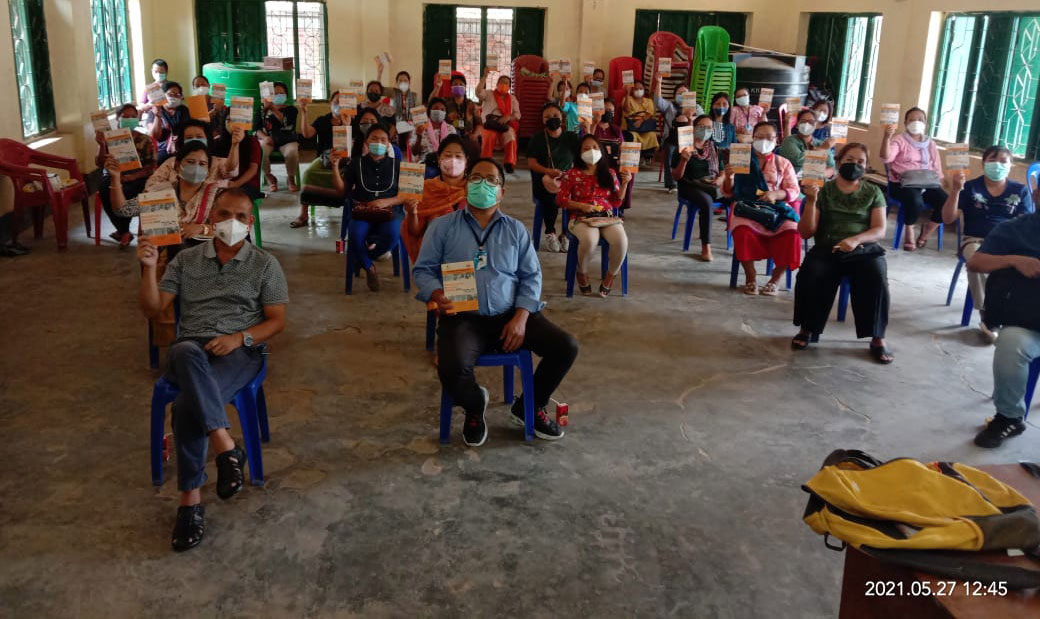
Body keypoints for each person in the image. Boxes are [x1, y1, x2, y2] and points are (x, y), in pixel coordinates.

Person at [136, 187, 288, 551]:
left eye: (239, 217)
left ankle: (190, 501)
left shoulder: (265, 264)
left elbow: (277, 321)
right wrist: (147, 270)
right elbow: (154, 310)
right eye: (223, 215)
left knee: (188, 406)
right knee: (187, 351)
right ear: (210, 220)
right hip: (191, 349)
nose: (230, 223)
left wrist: (239, 338)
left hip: (239, 351)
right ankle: (225, 444)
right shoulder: (185, 261)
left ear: (250, 224)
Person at [413, 157, 579, 446]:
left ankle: (529, 406)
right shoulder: (442, 227)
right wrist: (437, 294)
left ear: (501, 192)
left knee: (566, 347)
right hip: (463, 316)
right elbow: (423, 270)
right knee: (450, 367)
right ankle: (475, 405)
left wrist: (522, 316)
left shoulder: (516, 230)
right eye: (476, 178)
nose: (483, 184)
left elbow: (531, 276)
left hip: (510, 314)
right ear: (466, 186)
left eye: (492, 180)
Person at [791, 143, 893, 363]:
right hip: (827, 247)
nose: (854, 165)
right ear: (837, 163)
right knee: (812, 272)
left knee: (876, 274)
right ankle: (808, 329)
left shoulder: (873, 192)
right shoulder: (823, 191)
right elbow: (806, 232)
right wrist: (810, 201)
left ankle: (877, 337)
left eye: (860, 162)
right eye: (849, 160)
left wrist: (855, 240)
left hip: (863, 249)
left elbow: (879, 230)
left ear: (866, 168)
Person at [941, 145, 1035, 342]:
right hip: (975, 240)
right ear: (983, 163)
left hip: (1008, 245)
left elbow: (1028, 224)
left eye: (1003, 161)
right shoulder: (970, 187)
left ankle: (1018, 313)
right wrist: (956, 191)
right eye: (992, 160)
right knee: (978, 261)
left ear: (1011, 166)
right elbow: (948, 218)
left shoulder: (1020, 190)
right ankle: (988, 314)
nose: (998, 165)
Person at [965, 213, 1040, 447]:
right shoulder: (1015, 229)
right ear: (1037, 194)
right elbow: (975, 262)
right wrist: (1015, 260)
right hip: (1031, 321)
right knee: (1010, 343)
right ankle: (1009, 417)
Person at [722, 121, 801, 296]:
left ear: (776, 140)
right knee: (742, 231)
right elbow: (729, 192)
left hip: (775, 208)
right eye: (759, 137)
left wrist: (776, 194)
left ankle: (775, 279)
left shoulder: (783, 163)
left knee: (793, 232)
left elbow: (794, 190)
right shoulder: (741, 158)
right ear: (753, 138)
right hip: (747, 206)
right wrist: (729, 177)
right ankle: (751, 276)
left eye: (769, 137)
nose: (764, 141)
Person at [331, 122, 406, 292]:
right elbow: (342, 192)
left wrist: (386, 202)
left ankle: (360, 259)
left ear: (388, 144)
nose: (378, 143)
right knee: (356, 235)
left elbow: (408, 196)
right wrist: (335, 167)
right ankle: (369, 267)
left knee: (392, 234)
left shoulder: (399, 165)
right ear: (366, 141)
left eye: (383, 140)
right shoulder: (355, 163)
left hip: (391, 211)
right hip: (362, 211)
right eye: (374, 138)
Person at [557, 136, 632, 297]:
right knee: (590, 240)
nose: (591, 151)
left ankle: (611, 276)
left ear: (602, 151)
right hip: (580, 218)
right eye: (586, 148)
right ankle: (581, 272)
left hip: (606, 217)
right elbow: (561, 200)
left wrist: (625, 183)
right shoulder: (572, 174)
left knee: (621, 241)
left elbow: (617, 202)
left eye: (595, 147)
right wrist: (581, 206)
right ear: (579, 152)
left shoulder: (610, 173)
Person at [880, 107, 947, 250]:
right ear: (905, 123)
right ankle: (909, 229)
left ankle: (926, 233)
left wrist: (940, 183)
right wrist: (887, 138)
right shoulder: (899, 140)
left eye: (920, 119)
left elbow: (936, 166)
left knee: (946, 201)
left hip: (927, 183)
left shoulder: (931, 143)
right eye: (912, 119)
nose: (916, 122)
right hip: (902, 184)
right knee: (915, 201)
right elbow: (886, 158)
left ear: (925, 123)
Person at [94, 104, 158, 247]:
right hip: (114, 176)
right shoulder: (110, 138)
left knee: (125, 191)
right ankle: (124, 231)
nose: (129, 119)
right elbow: (100, 163)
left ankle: (122, 231)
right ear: (118, 119)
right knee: (105, 189)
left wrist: (131, 177)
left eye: (133, 117)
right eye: (125, 117)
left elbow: (151, 167)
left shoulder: (145, 140)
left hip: (138, 178)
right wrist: (101, 145)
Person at [401, 135, 471, 260]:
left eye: (458, 156)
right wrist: (412, 213)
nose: (453, 160)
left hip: (467, 256)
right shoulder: (426, 189)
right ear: (439, 159)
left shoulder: (475, 190)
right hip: (434, 254)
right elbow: (414, 232)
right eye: (448, 155)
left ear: (466, 161)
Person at [528, 103, 583, 253]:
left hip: (567, 180)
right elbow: (531, 163)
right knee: (552, 199)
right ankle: (550, 232)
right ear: (542, 120)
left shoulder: (571, 137)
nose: (552, 119)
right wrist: (548, 171)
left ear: (562, 118)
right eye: (547, 117)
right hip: (545, 181)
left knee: (576, 197)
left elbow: (583, 155)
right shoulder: (537, 138)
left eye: (555, 116)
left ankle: (566, 233)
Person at [671, 114, 724, 262]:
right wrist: (683, 161)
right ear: (694, 128)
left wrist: (721, 178)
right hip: (689, 185)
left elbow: (722, 170)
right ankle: (706, 246)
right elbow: (676, 176)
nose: (705, 130)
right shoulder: (683, 147)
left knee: (736, 196)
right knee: (706, 202)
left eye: (709, 128)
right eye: (702, 127)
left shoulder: (713, 147)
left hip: (710, 184)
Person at [146, 119, 240, 190]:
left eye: (199, 136)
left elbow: (230, 168)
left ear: (207, 139)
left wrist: (235, 145)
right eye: (189, 137)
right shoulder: (172, 162)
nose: (194, 140)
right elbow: (152, 184)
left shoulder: (217, 162)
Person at [654, 74, 704, 193]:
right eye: (679, 94)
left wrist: (692, 116)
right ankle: (671, 184)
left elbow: (703, 121)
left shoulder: (696, 107)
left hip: (689, 139)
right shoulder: (670, 106)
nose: (682, 96)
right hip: (671, 138)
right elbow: (658, 101)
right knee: (670, 151)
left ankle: (692, 180)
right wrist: (659, 83)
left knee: (693, 152)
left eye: (685, 94)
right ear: (675, 96)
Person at [257, 81, 299, 193]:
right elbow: (257, 129)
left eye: (281, 93)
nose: (278, 96)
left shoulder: (291, 110)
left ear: (286, 95)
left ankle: (290, 178)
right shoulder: (262, 110)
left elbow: (285, 123)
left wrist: (273, 109)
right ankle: (269, 177)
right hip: (269, 140)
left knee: (292, 152)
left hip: (286, 140)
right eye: (275, 93)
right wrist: (264, 137)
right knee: (260, 150)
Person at [476, 69, 521, 173]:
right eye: (501, 82)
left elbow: (518, 114)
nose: (504, 85)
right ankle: (485, 161)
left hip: (505, 124)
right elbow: (478, 92)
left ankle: (509, 163)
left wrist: (508, 117)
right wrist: (484, 76)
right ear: (497, 84)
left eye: (506, 83)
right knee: (489, 136)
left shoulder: (513, 98)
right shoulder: (489, 94)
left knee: (511, 136)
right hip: (490, 124)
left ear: (509, 87)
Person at [777, 109, 836, 177]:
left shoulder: (820, 143)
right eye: (803, 121)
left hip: (816, 184)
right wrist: (821, 149)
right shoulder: (788, 141)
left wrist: (819, 175)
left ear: (815, 125)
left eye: (811, 122)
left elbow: (831, 166)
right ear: (797, 124)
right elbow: (799, 160)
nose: (807, 124)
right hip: (793, 182)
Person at [379, 65, 419, 156]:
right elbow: (380, 89)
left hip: (408, 123)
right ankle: (389, 148)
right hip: (395, 121)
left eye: (405, 80)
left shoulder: (414, 95)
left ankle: (409, 152)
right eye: (400, 80)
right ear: (396, 82)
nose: (403, 82)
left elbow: (414, 112)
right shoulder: (393, 92)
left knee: (413, 128)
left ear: (409, 82)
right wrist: (380, 73)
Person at [431, 71, 481, 141]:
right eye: (455, 84)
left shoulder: (471, 104)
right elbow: (432, 102)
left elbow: (479, 123)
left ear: (465, 87)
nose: (458, 86)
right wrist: (437, 87)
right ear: (451, 88)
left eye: (461, 84)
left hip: (468, 137)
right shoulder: (445, 102)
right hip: (449, 137)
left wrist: (475, 134)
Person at [151, 81, 189, 163]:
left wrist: (179, 138)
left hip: (181, 146)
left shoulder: (183, 110)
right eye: (170, 94)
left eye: (177, 95)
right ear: (163, 95)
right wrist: (158, 116)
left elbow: (188, 128)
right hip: (162, 150)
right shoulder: (154, 111)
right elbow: (155, 136)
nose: (174, 97)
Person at [415, 98, 457, 168]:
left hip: (445, 165)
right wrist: (419, 136)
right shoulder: (421, 127)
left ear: (445, 113)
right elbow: (414, 152)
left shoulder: (451, 129)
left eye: (442, 109)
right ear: (430, 111)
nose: (439, 111)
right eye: (435, 108)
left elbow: (454, 150)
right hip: (424, 165)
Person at [621, 79, 658, 157]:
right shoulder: (627, 99)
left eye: (641, 89)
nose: (639, 90)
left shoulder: (648, 101)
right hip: (630, 127)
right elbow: (626, 110)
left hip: (644, 127)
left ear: (644, 90)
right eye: (636, 89)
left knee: (652, 134)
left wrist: (641, 120)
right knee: (632, 135)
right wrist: (627, 93)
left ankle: (645, 155)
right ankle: (634, 157)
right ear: (632, 90)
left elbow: (650, 114)